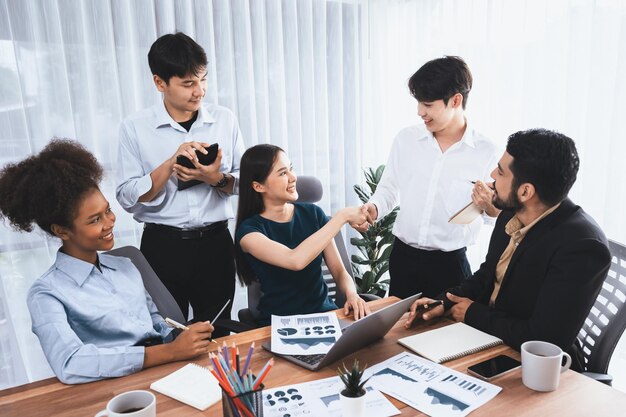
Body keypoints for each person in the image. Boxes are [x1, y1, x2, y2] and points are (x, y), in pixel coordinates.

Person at [0, 139, 214, 384]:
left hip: (166, 372)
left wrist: (180, 336)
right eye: (94, 220)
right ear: (62, 231)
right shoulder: (46, 293)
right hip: (115, 387)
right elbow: (70, 363)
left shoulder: (125, 265)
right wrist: (169, 352)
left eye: (108, 210)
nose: (110, 222)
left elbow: (153, 320)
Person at [405, 129, 611, 371]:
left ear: (525, 191)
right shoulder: (511, 214)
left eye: (501, 171)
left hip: (533, 369)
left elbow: (545, 339)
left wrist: (472, 313)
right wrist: (444, 302)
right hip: (487, 341)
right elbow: (487, 274)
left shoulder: (583, 246)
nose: (492, 175)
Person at [116, 32, 245, 335]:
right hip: (162, 247)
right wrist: (170, 164)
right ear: (160, 82)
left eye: (203, 80)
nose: (199, 91)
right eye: (188, 83)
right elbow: (126, 196)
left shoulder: (225, 119)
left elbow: (245, 182)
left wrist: (214, 178)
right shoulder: (135, 128)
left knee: (218, 332)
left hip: (216, 245)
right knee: (167, 334)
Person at [354, 56, 500, 299]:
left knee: (449, 334)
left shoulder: (488, 152)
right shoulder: (406, 140)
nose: (420, 112)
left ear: (456, 100)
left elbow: (495, 216)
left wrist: (490, 206)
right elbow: (388, 188)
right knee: (396, 332)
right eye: (419, 103)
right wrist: (373, 207)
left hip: (450, 265)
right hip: (403, 258)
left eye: (428, 104)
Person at [234, 144, 372, 326]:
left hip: (326, 317)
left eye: (291, 169)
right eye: (283, 173)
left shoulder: (313, 214)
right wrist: (342, 217)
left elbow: (339, 271)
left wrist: (352, 295)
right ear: (259, 186)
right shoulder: (249, 232)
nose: (293, 177)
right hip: (281, 325)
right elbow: (295, 260)